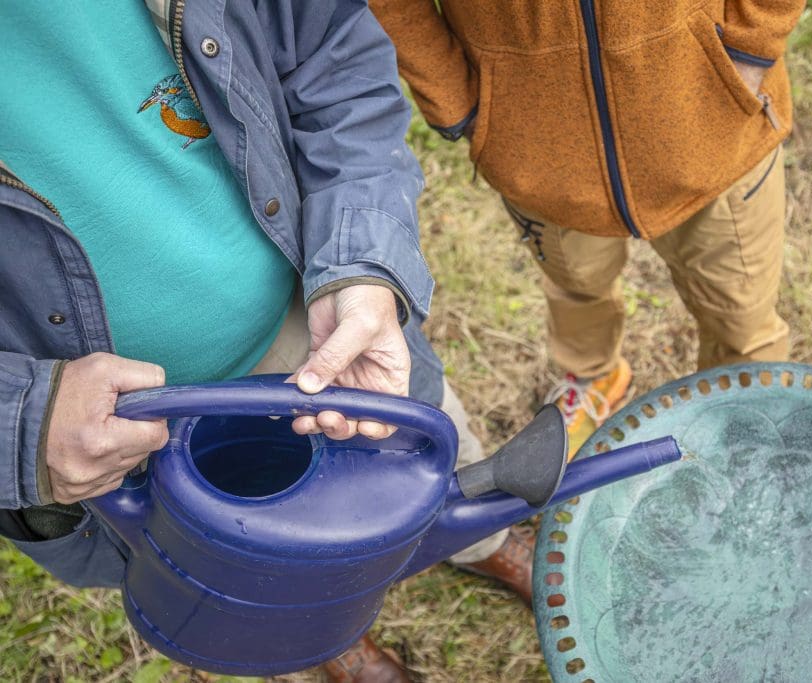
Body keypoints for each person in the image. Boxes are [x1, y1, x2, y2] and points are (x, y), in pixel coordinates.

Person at [0, 2, 529, 682]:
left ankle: (482, 538)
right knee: (258, 566)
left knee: (428, 448)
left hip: (310, 319)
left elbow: (331, 50)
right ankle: (330, 638)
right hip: (106, 435)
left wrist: (362, 259)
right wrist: (20, 423)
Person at [372, 0, 803, 456]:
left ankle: (740, 428)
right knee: (577, 283)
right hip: (540, 147)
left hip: (715, 127)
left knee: (742, 316)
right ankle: (595, 375)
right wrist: (459, 100)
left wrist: (751, 45)